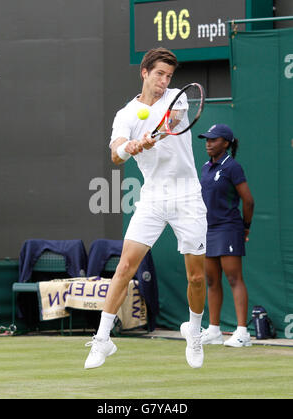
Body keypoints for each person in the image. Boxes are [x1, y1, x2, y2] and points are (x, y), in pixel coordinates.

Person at [84, 48, 207, 369]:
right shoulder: (125, 114)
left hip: (187, 197)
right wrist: (129, 146)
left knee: (196, 278)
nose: (164, 82)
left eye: (168, 76)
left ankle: (193, 331)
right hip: (153, 197)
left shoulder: (176, 98)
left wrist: (151, 137)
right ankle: (102, 339)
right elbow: (115, 154)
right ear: (144, 73)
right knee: (124, 267)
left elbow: (173, 123)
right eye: (159, 75)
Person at [198, 124, 254, 347]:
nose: (208, 143)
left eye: (214, 140)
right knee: (211, 280)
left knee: (233, 278)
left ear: (226, 143)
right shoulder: (205, 167)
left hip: (228, 228)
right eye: (207, 140)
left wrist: (245, 227)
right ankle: (213, 330)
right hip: (208, 229)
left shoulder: (232, 167)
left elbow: (248, 201)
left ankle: (242, 332)